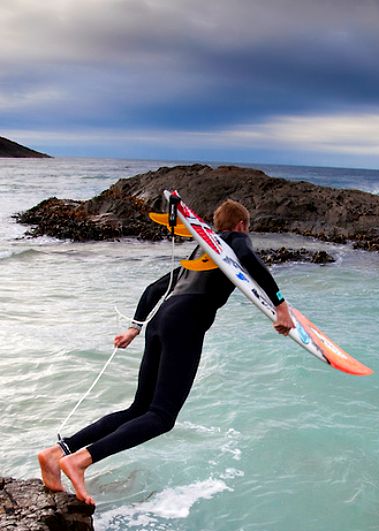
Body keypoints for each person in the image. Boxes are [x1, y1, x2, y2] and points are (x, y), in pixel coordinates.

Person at [38, 199, 294, 506]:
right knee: (162, 416)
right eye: (245, 229)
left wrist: (134, 327)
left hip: (159, 322)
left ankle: (57, 453)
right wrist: (281, 305)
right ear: (241, 225)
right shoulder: (235, 240)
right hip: (185, 325)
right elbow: (250, 259)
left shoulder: (201, 252)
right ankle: (80, 461)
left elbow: (153, 288)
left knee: (139, 408)